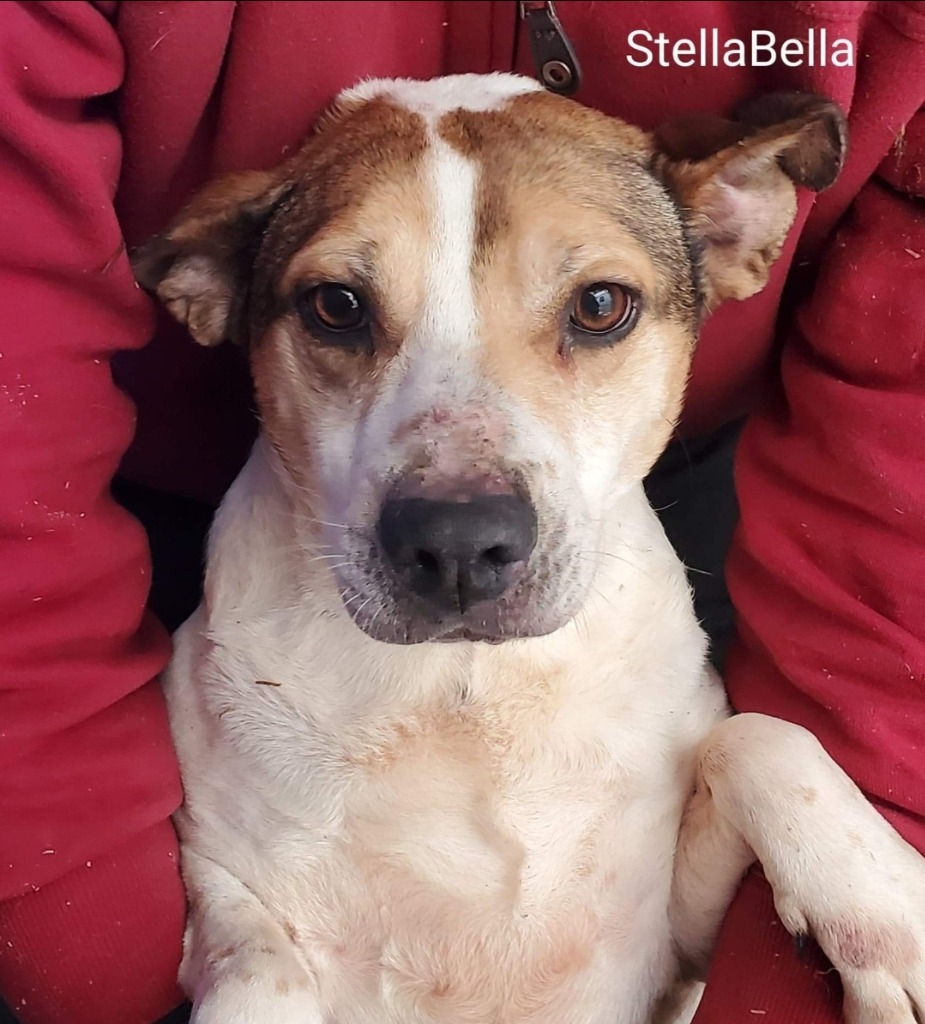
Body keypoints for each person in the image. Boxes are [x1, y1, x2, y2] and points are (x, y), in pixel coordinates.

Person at [1, 2, 923, 1022]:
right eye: (341, 309)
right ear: (212, 292)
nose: (459, 496)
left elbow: (677, 928)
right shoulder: (225, 680)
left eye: (594, 308)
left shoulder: (661, 673)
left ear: (735, 233)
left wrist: (782, 777)